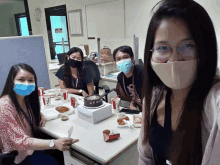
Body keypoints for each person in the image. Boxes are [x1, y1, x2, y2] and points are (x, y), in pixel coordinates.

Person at [138, 0, 220, 165]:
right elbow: (145, 157)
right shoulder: (153, 98)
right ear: (150, 53)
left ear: (205, 49)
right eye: (162, 48)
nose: (173, 60)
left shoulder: (214, 100)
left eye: (188, 45)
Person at [0, 63, 79, 165]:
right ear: (12, 81)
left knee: (61, 154)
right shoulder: (5, 106)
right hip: (19, 156)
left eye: (31, 80)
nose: (26, 84)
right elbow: (20, 141)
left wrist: (39, 114)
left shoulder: (26, 98)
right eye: (21, 79)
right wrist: (54, 143)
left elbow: (27, 114)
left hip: (30, 148)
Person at [113, 45, 143, 111]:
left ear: (132, 59)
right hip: (140, 110)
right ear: (115, 62)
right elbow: (133, 95)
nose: (122, 61)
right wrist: (132, 104)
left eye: (125, 57)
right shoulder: (120, 77)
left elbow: (151, 96)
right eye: (118, 59)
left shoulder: (142, 73)